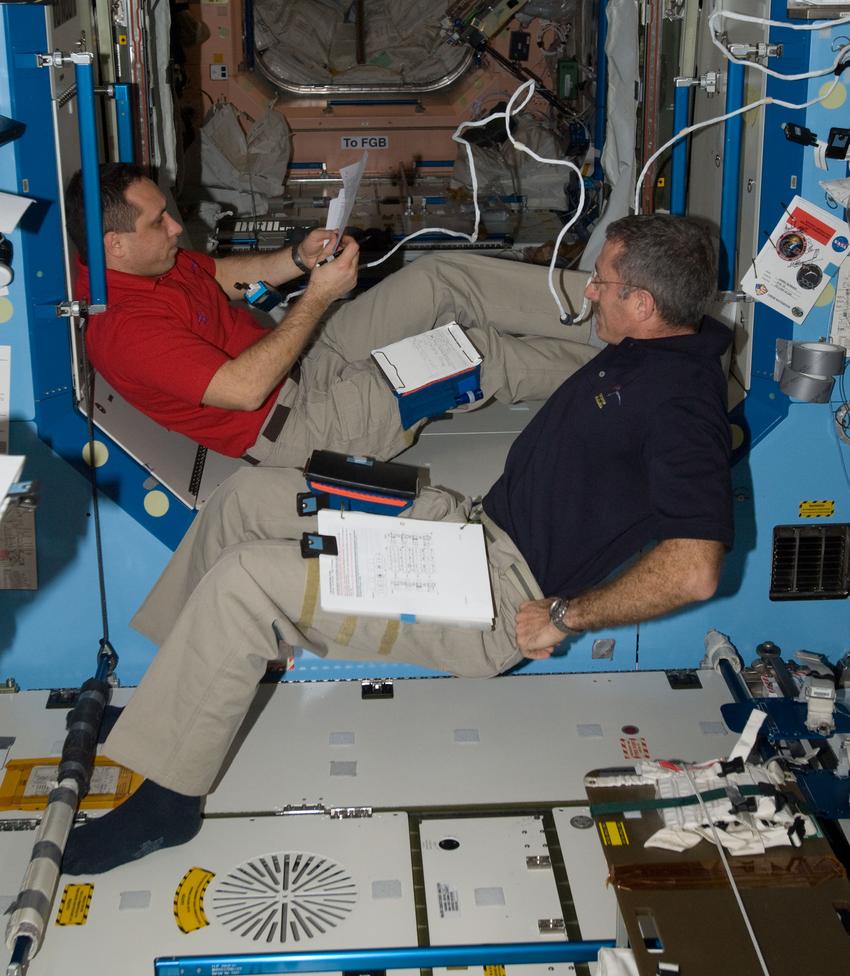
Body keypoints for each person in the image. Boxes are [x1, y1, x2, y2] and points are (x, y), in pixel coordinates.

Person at [62, 213, 734, 876]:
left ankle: (169, 803)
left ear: (642, 304)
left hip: (492, 598)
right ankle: (178, 692)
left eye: (602, 284)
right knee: (244, 499)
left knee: (246, 582)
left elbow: (696, 569)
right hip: (460, 525)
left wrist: (565, 615)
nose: (585, 292)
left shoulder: (680, 407)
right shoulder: (650, 347)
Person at [64, 164, 595, 466]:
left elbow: (222, 277)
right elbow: (245, 389)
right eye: (160, 222)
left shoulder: (156, 263)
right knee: (476, 354)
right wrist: (318, 296)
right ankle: (634, 370)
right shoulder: (123, 331)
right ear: (115, 245)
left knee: (443, 276)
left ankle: (608, 310)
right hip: (300, 425)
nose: (178, 229)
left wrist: (297, 259)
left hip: (306, 363)